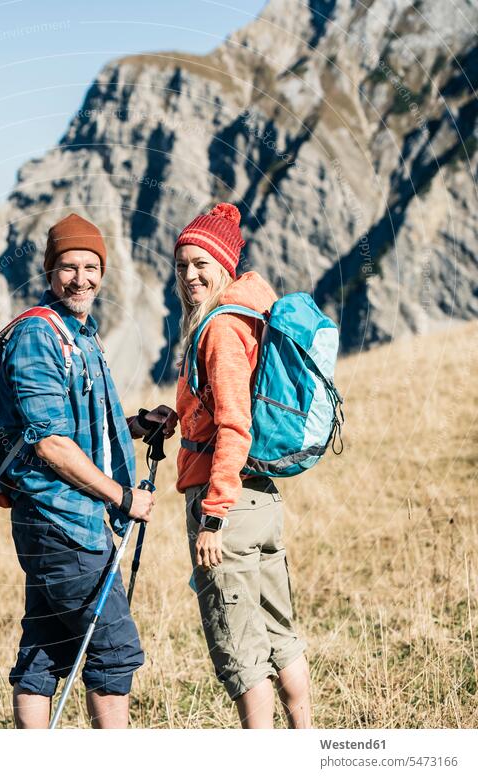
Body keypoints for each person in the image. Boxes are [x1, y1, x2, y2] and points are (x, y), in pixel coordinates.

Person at [0, 213, 176, 728]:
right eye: (69, 267)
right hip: (63, 523)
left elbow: (82, 428)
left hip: (58, 521)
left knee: (46, 647)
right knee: (114, 652)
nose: (82, 278)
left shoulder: (78, 333)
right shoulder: (38, 335)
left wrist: (139, 424)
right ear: (50, 272)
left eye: (91, 266)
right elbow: (50, 442)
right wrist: (121, 496)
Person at [173, 203, 312, 728]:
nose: (190, 276)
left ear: (225, 264)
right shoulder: (248, 315)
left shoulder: (220, 330)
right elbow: (222, 413)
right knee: (281, 635)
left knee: (242, 654)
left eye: (201, 263)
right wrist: (179, 418)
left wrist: (212, 516)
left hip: (227, 507)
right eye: (182, 265)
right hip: (261, 499)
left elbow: (235, 424)